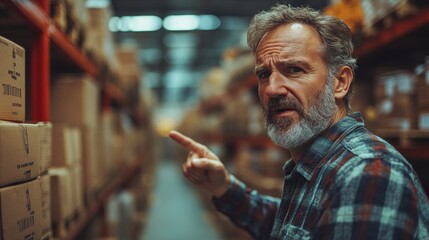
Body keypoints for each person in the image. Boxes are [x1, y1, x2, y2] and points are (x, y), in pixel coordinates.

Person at [169, 4, 429, 240]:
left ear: (340, 83)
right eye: (264, 74)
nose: (273, 89)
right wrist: (224, 187)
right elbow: (293, 225)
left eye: (294, 70)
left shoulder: (367, 174)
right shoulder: (318, 163)